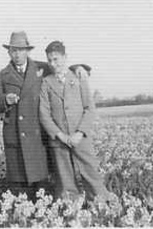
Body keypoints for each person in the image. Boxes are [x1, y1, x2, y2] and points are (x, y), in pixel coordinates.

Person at [0, 31, 89, 200]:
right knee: (20, 182)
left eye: (21, 50)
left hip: (37, 134)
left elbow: (60, 67)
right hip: (15, 134)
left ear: (27, 51)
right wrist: (5, 99)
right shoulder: (3, 75)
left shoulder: (41, 68)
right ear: (9, 52)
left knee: (41, 179)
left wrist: (78, 68)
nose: (17, 54)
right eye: (14, 50)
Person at [39, 41, 109, 200]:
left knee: (91, 174)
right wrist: (60, 135)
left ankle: (102, 206)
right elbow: (44, 114)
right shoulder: (46, 82)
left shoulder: (79, 77)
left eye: (56, 59)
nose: (52, 63)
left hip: (81, 138)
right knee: (66, 180)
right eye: (49, 60)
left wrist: (80, 133)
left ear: (65, 58)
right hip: (59, 141)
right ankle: (72, 211)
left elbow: (89, 108)